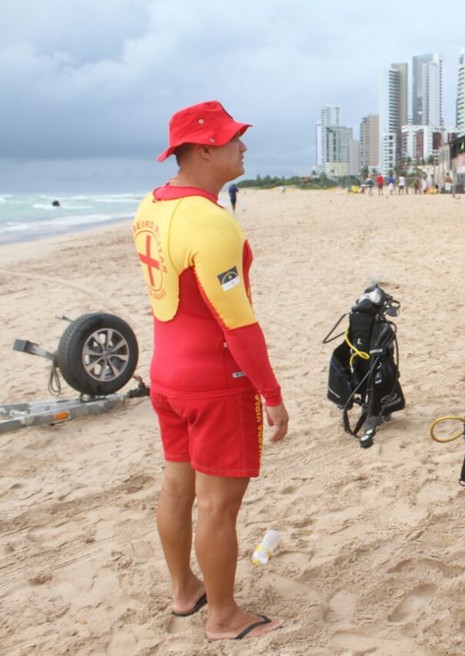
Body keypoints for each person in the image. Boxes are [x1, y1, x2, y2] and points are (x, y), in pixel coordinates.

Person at [131, 100, 289, 641]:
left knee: (177, 488)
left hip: (167, 376)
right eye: (232, 140)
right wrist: (271, 393)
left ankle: (185, 590)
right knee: (219, 505)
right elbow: (238, 326)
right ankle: (223, 617)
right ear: (203, 150)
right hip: (216, 384)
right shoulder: (211, 220)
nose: (242, 146)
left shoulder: (150, 206)